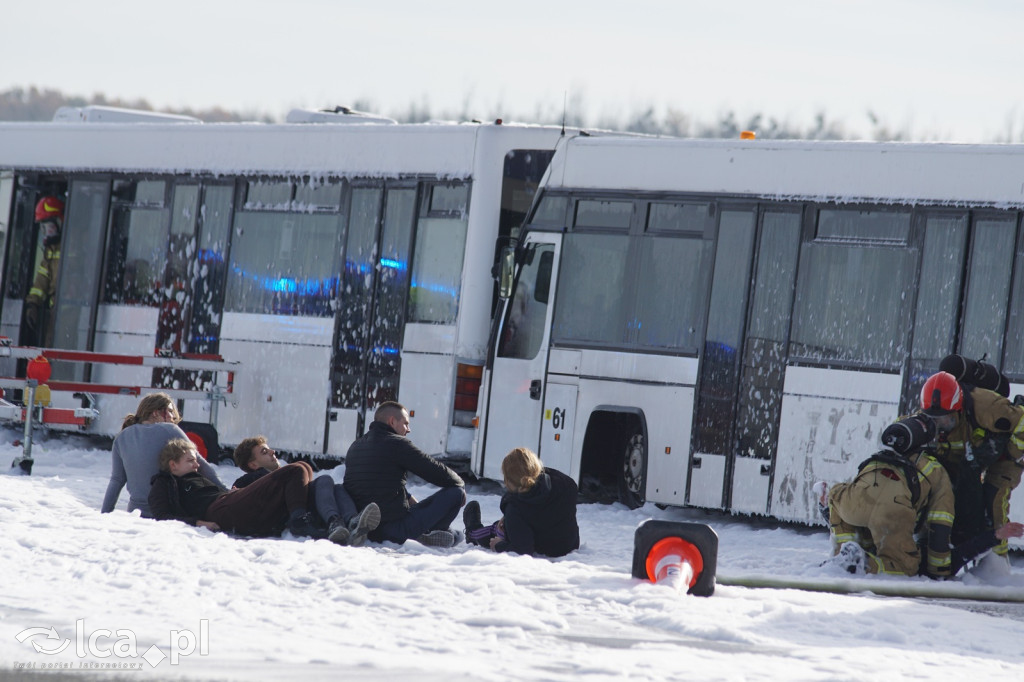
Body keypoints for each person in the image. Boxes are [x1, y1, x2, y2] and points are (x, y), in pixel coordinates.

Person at [821, 413, 1023, 578]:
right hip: (893, 511)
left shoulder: (890, 452)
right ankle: (865, 564)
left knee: (837, 498)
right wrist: (940, 566)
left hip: (857, 496)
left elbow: (866, 496)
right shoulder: (937, 471)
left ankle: (842, 555)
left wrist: (826, 506)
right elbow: (941, 524)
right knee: (904, 567)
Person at [919, 369, 1024, 560]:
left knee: (994, 501)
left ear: (959, 408)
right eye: (936, 419)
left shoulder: (986, 405)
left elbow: (1022, 421)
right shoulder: (932, 411)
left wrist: (1009, 452)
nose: (940, 423)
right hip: (972, 457)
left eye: (945, 418)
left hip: (1007, 456)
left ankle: (996, 563)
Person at [343, 401, 466, 548]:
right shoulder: (397, 443)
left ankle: (437, 533)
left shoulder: (355, 446)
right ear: (392, 421)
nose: (408, 429)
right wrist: (460, 483)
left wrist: (407, 497)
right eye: (406, 424)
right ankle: (433, 532)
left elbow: (378, 482)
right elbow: (434, 470)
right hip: (395, 530)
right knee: (456, 493)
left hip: (365, 529)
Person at [149, 439, 324, 538]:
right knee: (295, 470)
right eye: (190, 461)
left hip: (228, 502)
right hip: (218, 510)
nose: (197, 465)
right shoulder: (165, 482)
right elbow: (162, 516)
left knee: (304, 466)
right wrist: (199, 522)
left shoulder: (193, 476)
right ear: (173, 465)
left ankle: (302, 517)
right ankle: (300, 522)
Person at [233, 435, 380, 546]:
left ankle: (352, 522)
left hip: (305, 508)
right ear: (253, 464)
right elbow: (238, 499)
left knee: (338, 488)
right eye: (264, 452)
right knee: (325, 480)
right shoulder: (251, 479)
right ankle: (335, 522)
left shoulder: (280, 474)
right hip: (298, 515)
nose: (272, 451)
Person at [101, 393, 226, 517]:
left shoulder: (122, 437)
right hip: (167, 513)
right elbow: (201, 465)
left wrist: (105, 513)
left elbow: (117, 480)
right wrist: (225, 492)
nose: (173, 417)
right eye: (170, 411)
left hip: (136, 514)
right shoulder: (169, 429)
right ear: (156, 413)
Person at [463, 447, 579, 558]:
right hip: (569, 544)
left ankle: (473, 532)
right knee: (513, 523)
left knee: (498, 529)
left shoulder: (515, 508)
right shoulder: (565, 483)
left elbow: (522, 550)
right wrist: (508, 516)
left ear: (508, 480)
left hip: (547, 548)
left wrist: (499, 545)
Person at [25, 195, 64, 347]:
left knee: (57, 352)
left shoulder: (72, 247)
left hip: (69, 314)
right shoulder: (50, 251)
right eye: (43, 228)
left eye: (48, 227)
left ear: (59, 222)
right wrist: (32, 305)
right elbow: (41, 281)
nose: (46, 233)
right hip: (53, 311)